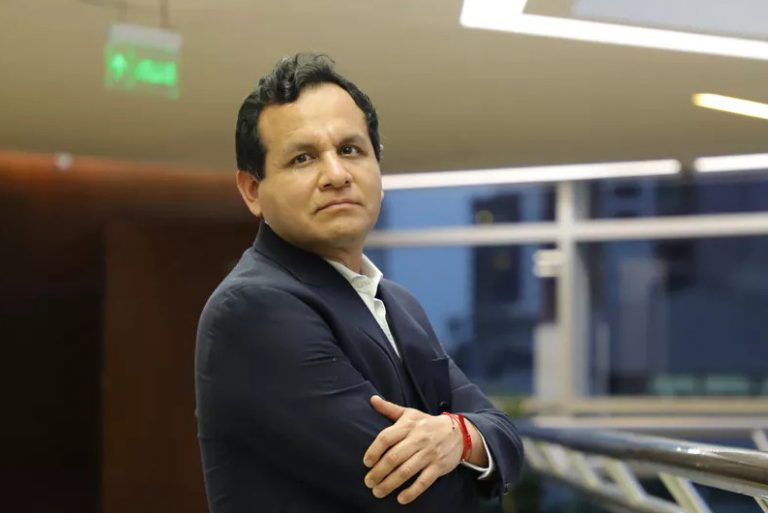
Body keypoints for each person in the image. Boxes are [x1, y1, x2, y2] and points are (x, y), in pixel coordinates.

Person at [195, 53, 524, 513]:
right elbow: (413, 495)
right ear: (253, 190)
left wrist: (459, 435)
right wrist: (471, 446)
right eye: (303, 158)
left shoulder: (398, 303)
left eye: (350, 150)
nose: (336, 175)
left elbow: (506, 439)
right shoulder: (254, 308)